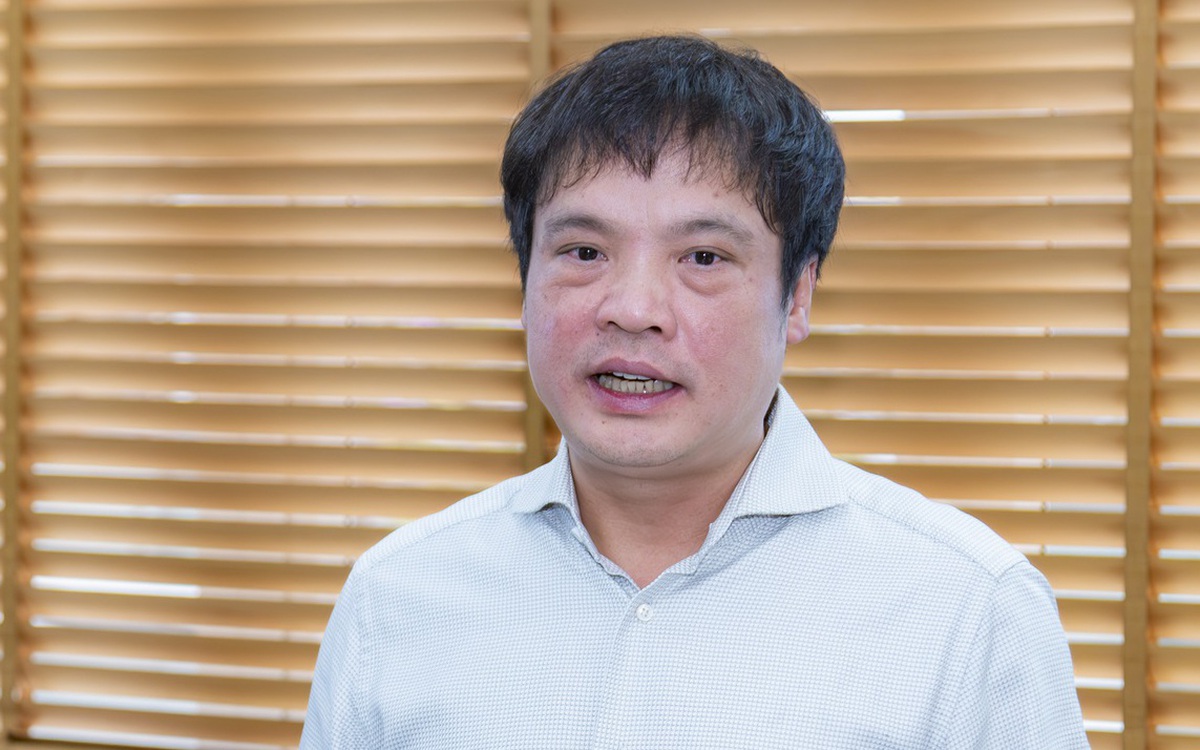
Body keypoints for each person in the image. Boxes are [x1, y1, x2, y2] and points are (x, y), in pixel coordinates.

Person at [300, 35, 1089, 748]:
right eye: (583, 251)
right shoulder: (394, 599)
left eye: (703, 258)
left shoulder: (968, 611)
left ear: (798, 295)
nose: (633, 309)